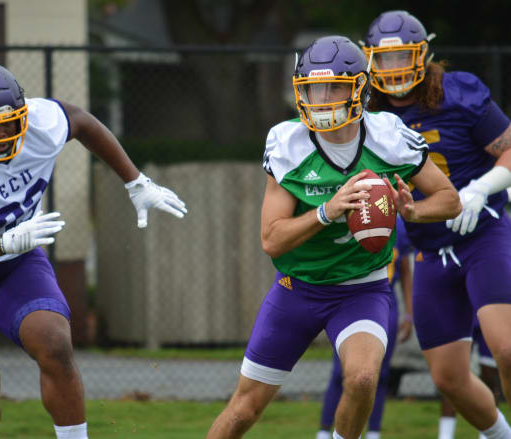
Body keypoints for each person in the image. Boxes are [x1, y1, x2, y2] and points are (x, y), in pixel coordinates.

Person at [0, 62, 187, 439]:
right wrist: (3, 241)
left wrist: (135, 182)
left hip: (18, 264)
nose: (4, 133)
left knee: (55, 343)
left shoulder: (41, 122)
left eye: (10, 122)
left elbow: (83, 121)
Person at [205, 35, 460, 439]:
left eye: (334, 87)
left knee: (361, 380)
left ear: (359, 88)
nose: (322, 99)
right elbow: (272, 240)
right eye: (313, 89)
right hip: (297, 289)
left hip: (362, 289)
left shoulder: (389, 137)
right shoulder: (288, 142)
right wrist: (327, 211)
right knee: (245, 407)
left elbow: (450, 200)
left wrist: (411, 210)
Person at [363, 9, 511, 439]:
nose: (392, 70)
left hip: (482, 233)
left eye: (401, 57)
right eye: (383, 60)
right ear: (369, 61)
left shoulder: (458, 93)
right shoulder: (367, 116)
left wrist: (481, 188)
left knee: (505, 347)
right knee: (448, 378)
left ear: (423, 55)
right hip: (429, 249)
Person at [316, 216, 414, 439]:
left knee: (378, 374)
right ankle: (323, 430)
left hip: (385, 301)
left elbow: (406, 270)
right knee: (342, 372)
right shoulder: (350, 215)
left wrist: (409, 313)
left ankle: (374, 432)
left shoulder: (398, 224)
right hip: (354, 300)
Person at [438, 321, 503, 439]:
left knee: (490, 376)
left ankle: (486, 436)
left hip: (489, 309)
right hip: (462, 310)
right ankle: (445, 435)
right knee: (451, 377)